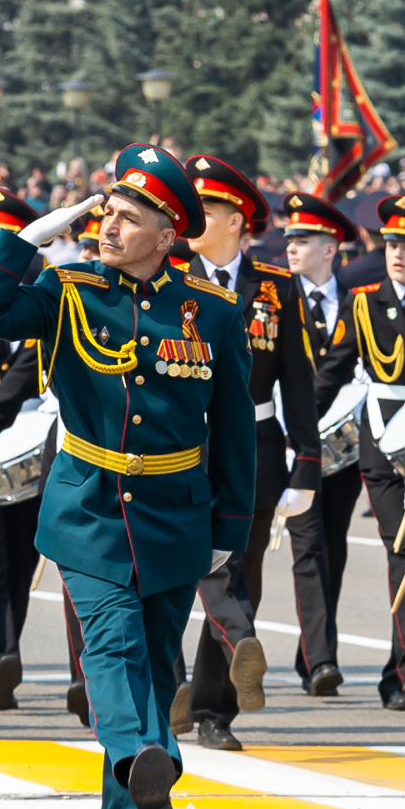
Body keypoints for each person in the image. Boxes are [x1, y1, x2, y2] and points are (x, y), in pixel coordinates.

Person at [0, 144, 255, 809]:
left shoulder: (212, 314)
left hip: (175, 512)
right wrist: (28, 238)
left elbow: (234, 427)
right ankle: (140, 758)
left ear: (168, 234)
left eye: (129, 218)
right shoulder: (68, 288)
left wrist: (232, 524)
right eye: (107, 213)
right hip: (88, 505)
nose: (109, 228)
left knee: (156, 670)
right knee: (113, 651)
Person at [175, 153, 318, 751]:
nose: (190, 219)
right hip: (178, 448)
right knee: (176, 575)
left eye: (204, 210)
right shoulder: (168, 276)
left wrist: (306, 464)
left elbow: (299, 382)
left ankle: (213, 710)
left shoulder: (277, 289)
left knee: (242, 574)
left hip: (255, 447)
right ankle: (170, 687)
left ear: (236, 220)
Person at [312, 192, 405, 710]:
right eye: (392, 243)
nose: (397, 253)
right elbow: (333, 371)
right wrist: (300, 433)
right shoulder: (364, 302)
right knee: (402, 544)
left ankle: (397, 673)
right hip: (382, 441)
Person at [276, 192, 359, 694]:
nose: (291, 248)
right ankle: (323, 658)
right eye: (289, 240)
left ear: (331, 248)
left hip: (344, 445)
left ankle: (312, 653)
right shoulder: (276, 298)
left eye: (303, 241)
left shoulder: (357, 303)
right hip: (294, 443)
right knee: (307, 547)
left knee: (334, 547)